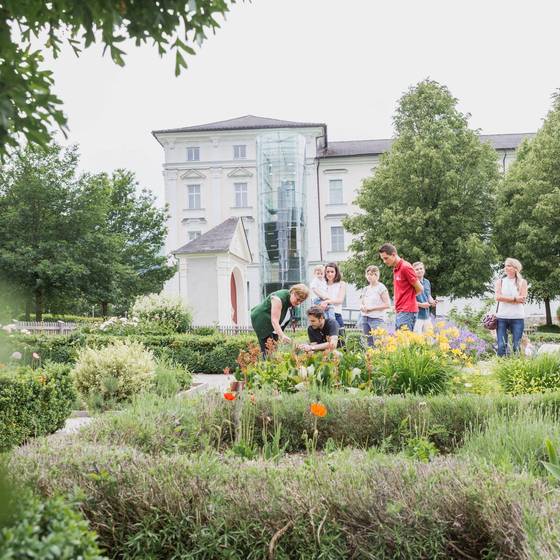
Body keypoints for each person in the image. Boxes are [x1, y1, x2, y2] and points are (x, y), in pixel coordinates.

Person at [250, 283, 310, 357]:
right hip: (261, 320)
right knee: (268, 350)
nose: (298, 303)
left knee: (274, 348)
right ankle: (266, 365)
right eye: (298, 299)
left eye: (301, 301)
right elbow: (274, 320)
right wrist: (282, 336)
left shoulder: (290, 300)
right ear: (293, 292)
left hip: (271, 322)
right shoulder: (278, 299)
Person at [378, 243, 423, 331]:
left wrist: (408, 297)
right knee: (399, 342)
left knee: (404, 342)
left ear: (394, 254)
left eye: (386, 258)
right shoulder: (396, 269)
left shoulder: (405, 267)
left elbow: (420, 288)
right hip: (400, 311)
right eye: (383, 259)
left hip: (407, 311)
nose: (384, 261)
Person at [495, 257, 527, 356]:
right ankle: (501, 367)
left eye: (509, 265)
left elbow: (522, 299)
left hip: (517, 317)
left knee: (516, 346)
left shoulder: (523, 282)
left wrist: (505, 298)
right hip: (502, 317)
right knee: (501, 346)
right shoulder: (500, 281)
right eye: (505, 266)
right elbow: (497, 297)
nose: (506, 267)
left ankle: (516, 369)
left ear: (515, 268)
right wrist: (514, 299)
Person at [360, 265, 390, 346]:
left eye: (372, 274)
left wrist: (371, 309)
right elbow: (362, 302)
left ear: (377, 275)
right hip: (365, 318)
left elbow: (387, 305)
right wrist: (362, 307)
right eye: (368, 274)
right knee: (369, 344)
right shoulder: (366, 288)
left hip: (377, 319)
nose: (369, 276)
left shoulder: (381, 287)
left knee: (379, 344)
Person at [413, 261, 436, 333]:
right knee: (417, 341)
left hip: (427, 316)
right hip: (416, 317)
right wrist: (421, 305)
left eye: (421, 268)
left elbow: (428, 296)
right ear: (413, 271)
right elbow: (408, 301)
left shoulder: (427, 282)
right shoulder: (412, 283)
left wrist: (433, 302)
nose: (419, 270)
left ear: (424, 270)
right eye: (417, 269)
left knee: (429, 339)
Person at [325, 262, 347, 329]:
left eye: (332, 272)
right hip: (324, 315)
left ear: (336, 272)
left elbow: (340, 300)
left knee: (341, 338)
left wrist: (327, 302)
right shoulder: (322, 284)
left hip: (337, 314)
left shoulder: (341, 284)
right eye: (327, 272)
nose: (330, 274)